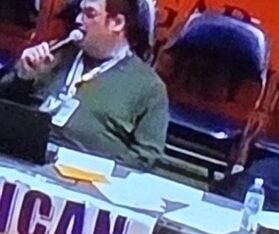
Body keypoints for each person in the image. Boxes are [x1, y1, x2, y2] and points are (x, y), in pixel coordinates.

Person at [1, 0, 167, 168]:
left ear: (117, 23)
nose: (78, 20)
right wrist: (23, 76)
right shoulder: (54, 54)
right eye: (80, 12)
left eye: (89, 14)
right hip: (20, 161)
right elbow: (5, 105)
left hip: (87, 180)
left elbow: (146, 156)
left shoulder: (149, 87)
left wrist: (99, 167)